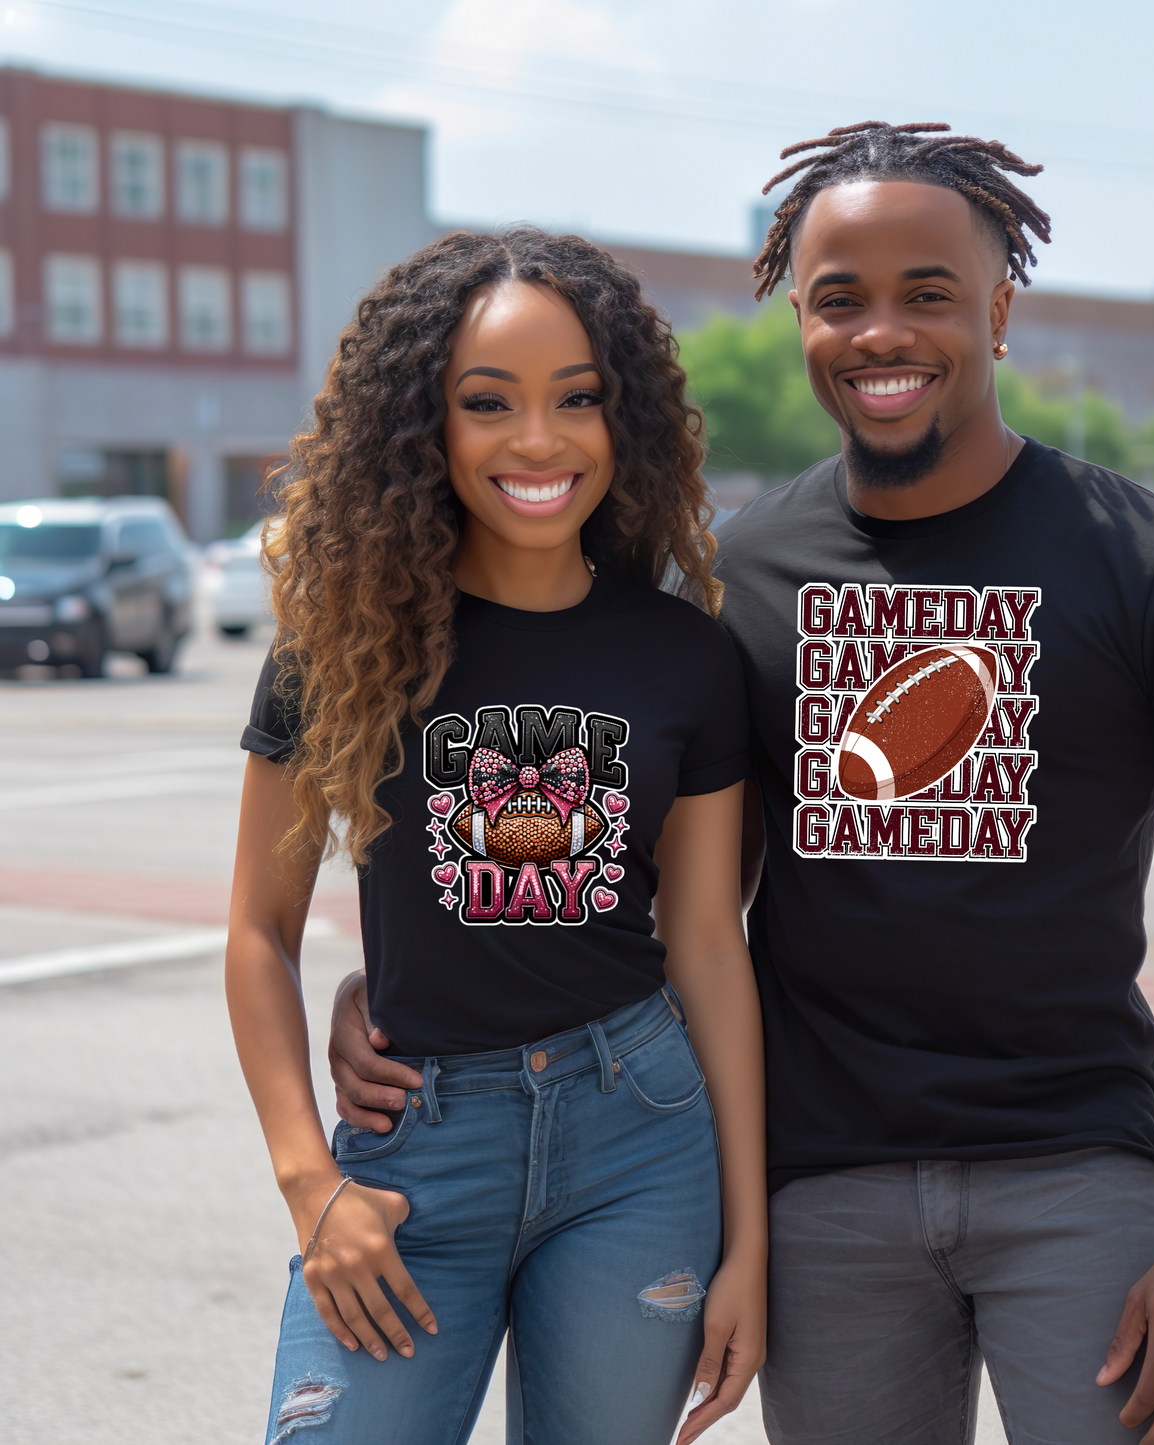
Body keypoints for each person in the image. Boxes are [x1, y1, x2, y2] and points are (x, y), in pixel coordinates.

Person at [330, 124, 1154, 1445]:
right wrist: (401, 989)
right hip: (820, 1194)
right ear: (797, 314)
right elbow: (661, 909)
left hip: (1079, 1173)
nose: (880, 334)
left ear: (999, 309)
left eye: (928, 293)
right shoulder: (733, 585)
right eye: (839, 298)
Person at [226, 228, 766, 1445]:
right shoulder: (338, 646)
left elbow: (707, 951)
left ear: (621, 421)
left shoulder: (685, 656)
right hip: (414, 1149)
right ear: (421, 426)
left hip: (640, 1142)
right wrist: (313, 1187)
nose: (538, 439)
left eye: (577, 399)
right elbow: (258, 936)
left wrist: (750, 1242)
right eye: (488, 403)